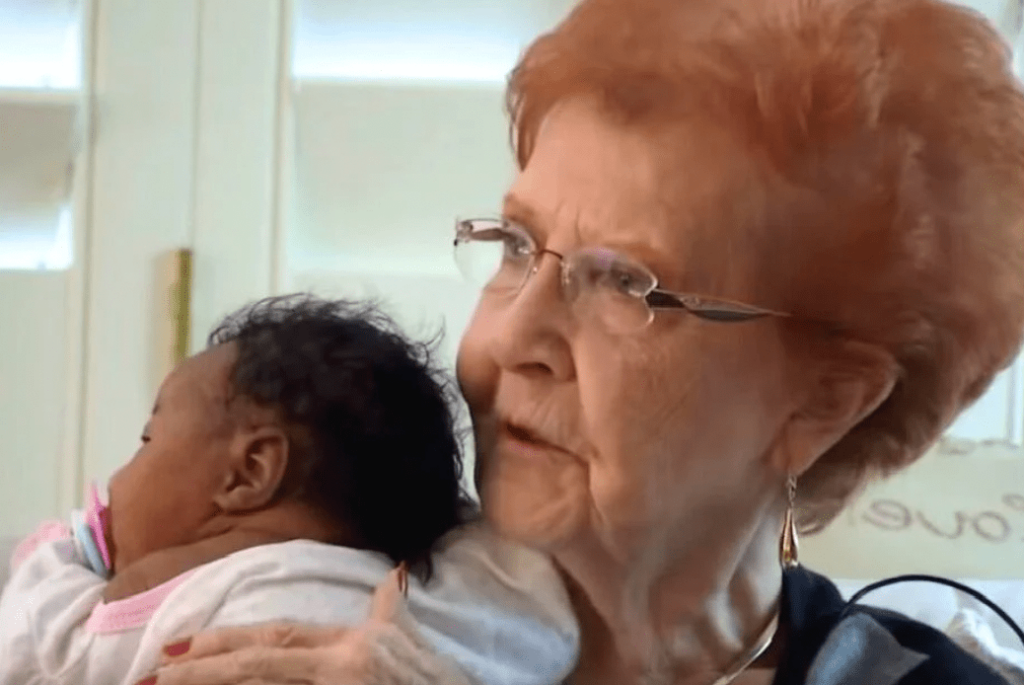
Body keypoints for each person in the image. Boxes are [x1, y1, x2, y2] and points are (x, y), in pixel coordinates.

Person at [140, 0, 1024, 683]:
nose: (514, 336)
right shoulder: (296, 593)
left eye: (625, 283)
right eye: (518, 246)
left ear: (822, 401)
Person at [0, 296, 579, 685]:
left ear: (249, 472)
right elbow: (530, 618)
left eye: (147, 439)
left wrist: (55, 553)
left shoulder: (162, 596)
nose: (118, 478)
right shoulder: (410, 597)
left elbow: (38, 645)